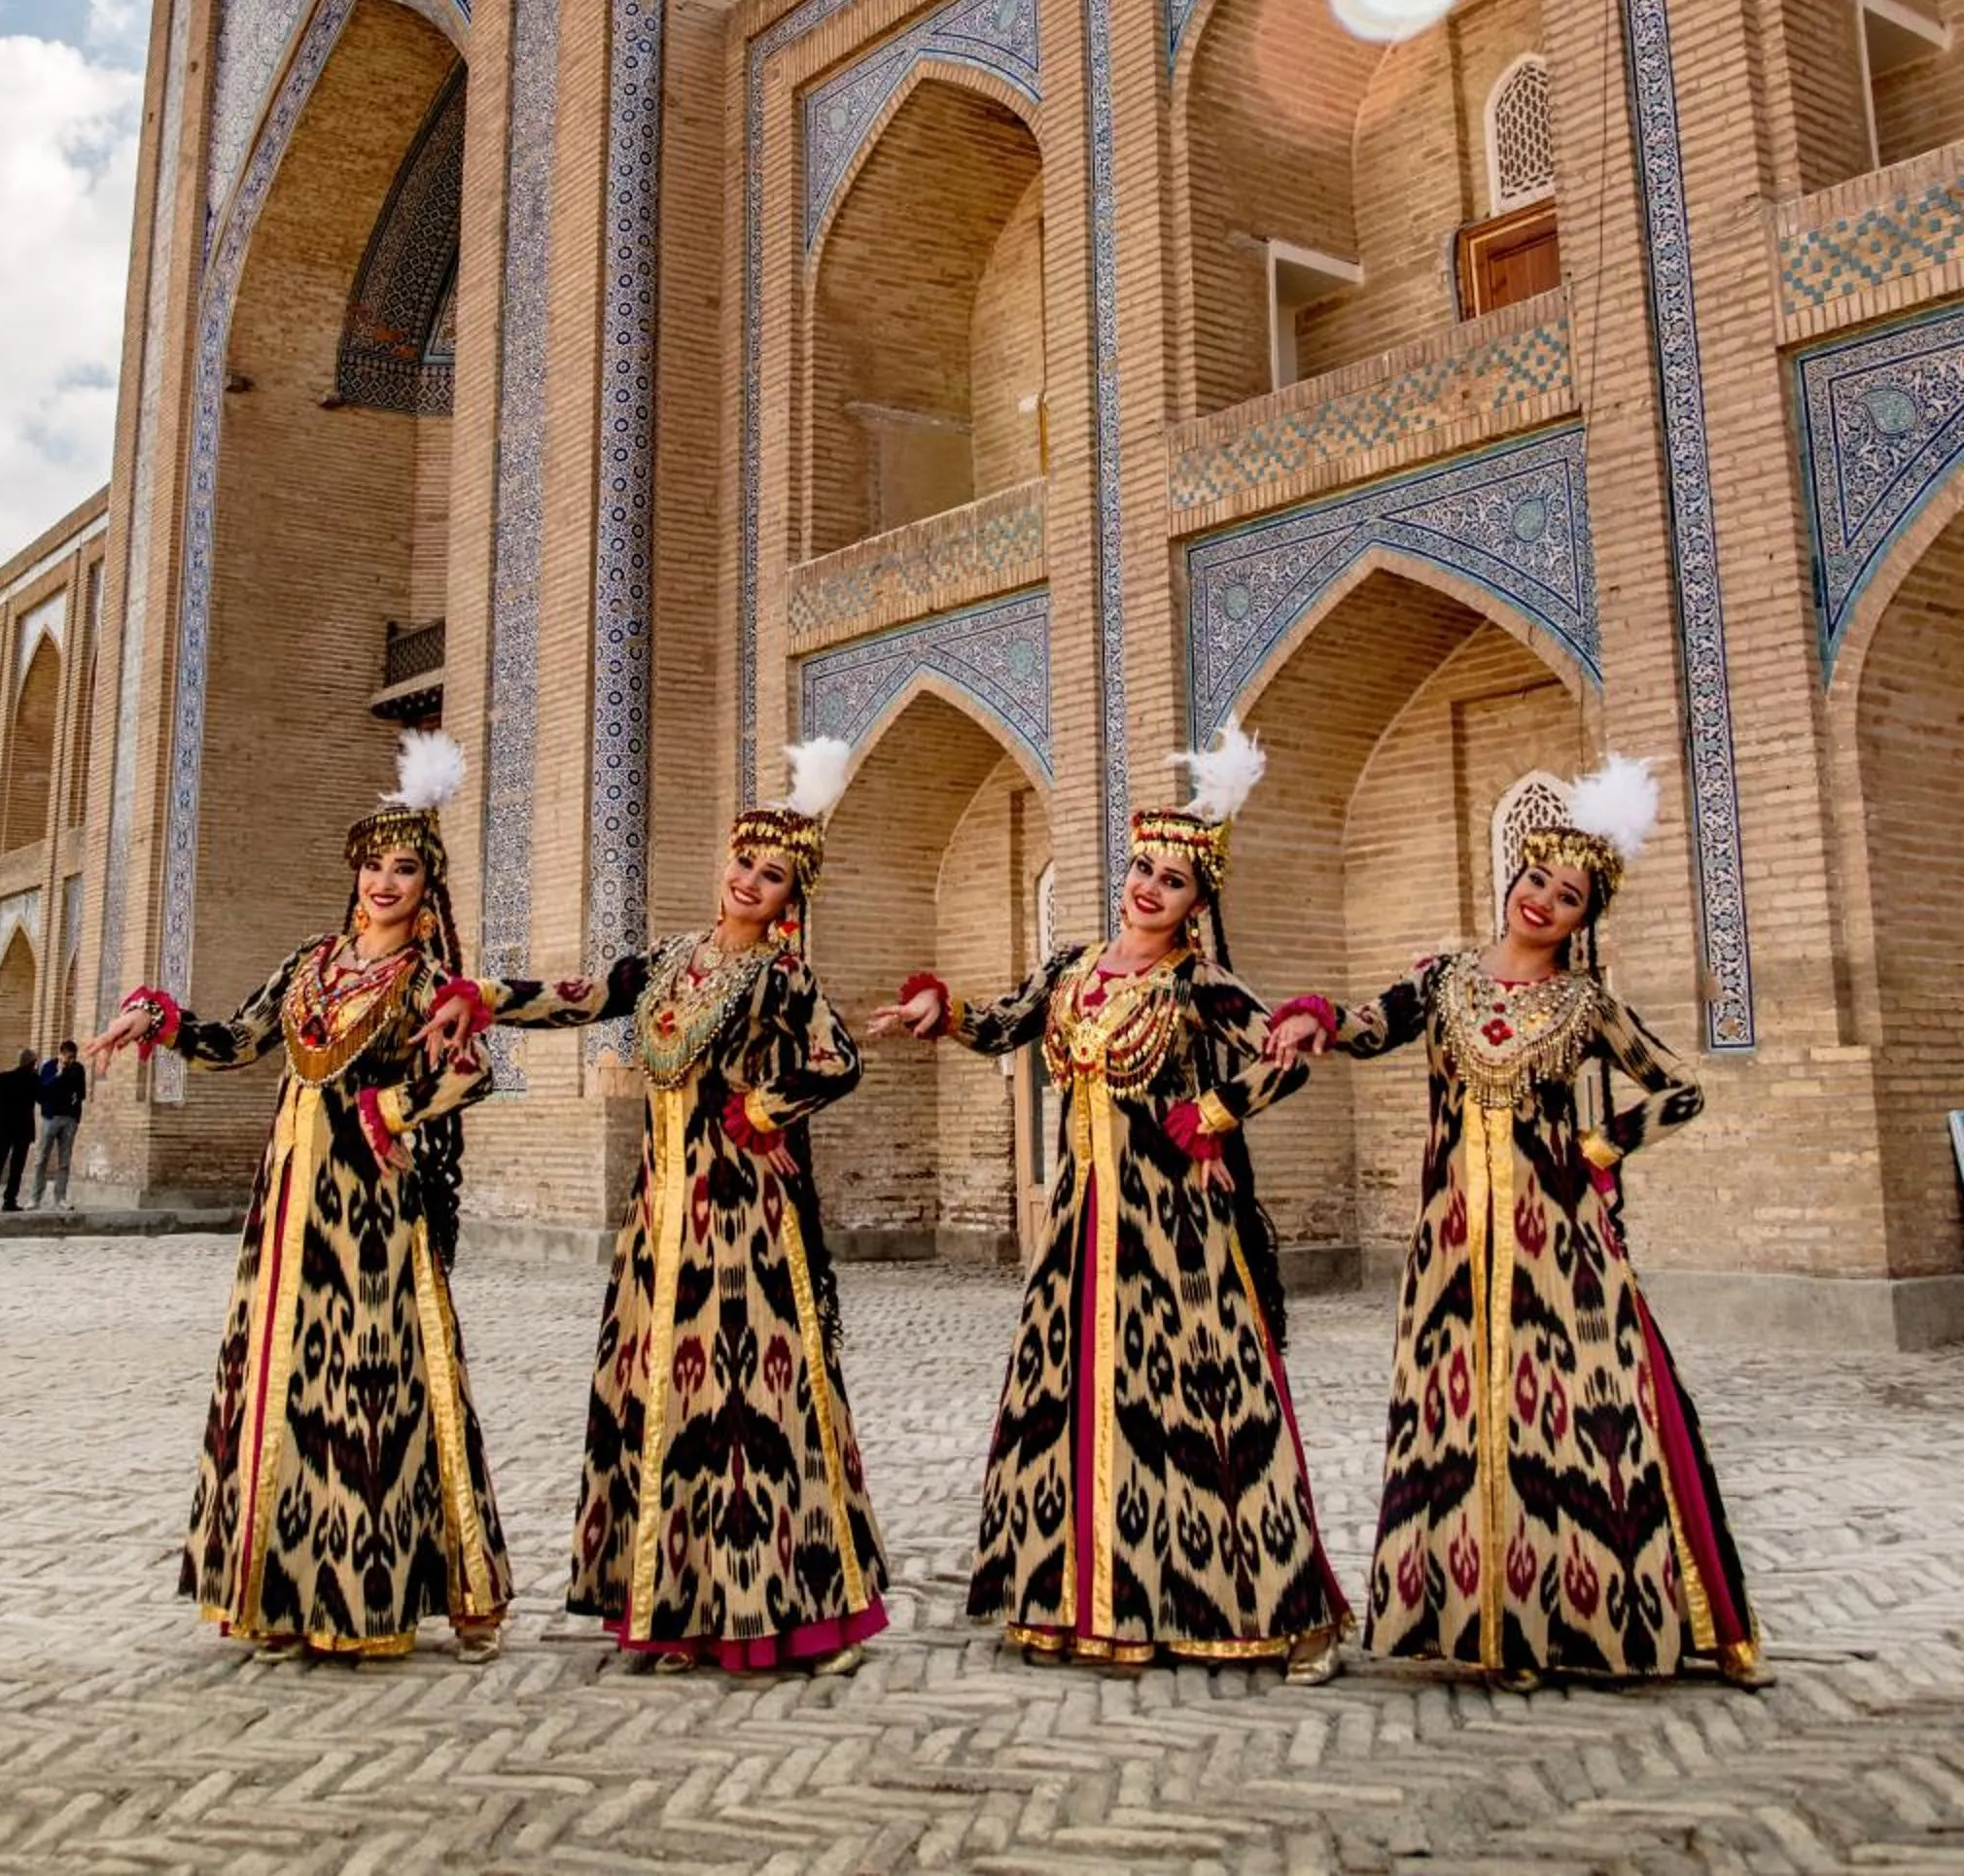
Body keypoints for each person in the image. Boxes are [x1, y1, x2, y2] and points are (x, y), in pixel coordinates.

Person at [1263, 753, 1762, 1687]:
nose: (1542, 901)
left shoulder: (1585, 1005)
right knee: (1456, 1421)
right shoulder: (1445, 980)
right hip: (1453, 1241)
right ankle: (1479, 1625)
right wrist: (1310, 1020)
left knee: (1573, 1422)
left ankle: (1567, 1625)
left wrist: (1599, 1151)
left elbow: (1679, 1091)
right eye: (1536, 880)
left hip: (1557, 1245)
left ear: (1583, 920)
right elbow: (1370, 1027)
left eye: (1567, 897)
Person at [870, 722, 1349, 1677]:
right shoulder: (1074, 969)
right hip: (1083, 1226)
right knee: (1076, 1401)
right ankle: (1083, 1602)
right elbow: (1006, 1022)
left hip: (1177, 1233)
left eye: (1170, 881)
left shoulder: (1198, 983)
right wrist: (942, 1011)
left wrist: (1214, 1112)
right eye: (1139, 868)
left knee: (1204, 1408)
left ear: (1196, 903)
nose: (1146, 887)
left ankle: (1263, 1608)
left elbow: (1285, 1053)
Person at [402, 736, 887, 1674]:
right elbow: (580, 995)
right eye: (746, 863)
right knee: (664, 1394)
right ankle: (677, 1610)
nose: (751, 881)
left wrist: (760, 1109)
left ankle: (789, 1608)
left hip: (744, 1215)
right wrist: (482, 996)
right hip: (660, 1208)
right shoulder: (668, 960)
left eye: (774, 875)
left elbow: (838, 1060)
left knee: (752, 1401)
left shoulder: (781, 978)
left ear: (794, 899)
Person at [82, 731, 509, 1659]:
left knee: (369, 1390)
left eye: (403, 869)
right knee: (282, 1385)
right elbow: (237, 1041)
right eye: (371, 866)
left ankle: (364, 1597)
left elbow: (471, 1072)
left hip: (373, 1217)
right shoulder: (311, 964)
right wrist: (155, 1019)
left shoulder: (431, 981)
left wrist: (387, 1111)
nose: (383, 883)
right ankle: (279, 1591)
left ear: (428, 886)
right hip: (287, 1214)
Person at [0, 1047, 41, 1212]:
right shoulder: (33, 1080)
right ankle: (9, 1201)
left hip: (2, 1129)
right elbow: (42, 1098)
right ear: (33, 1063)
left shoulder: (1, 1078)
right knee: (16, 1168)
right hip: (22, 1130)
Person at [27, 1040, 86, 1209]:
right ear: (60, 1054)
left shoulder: (78, 1069)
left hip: (69, 1119)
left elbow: (81, 1092)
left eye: (73, 1058)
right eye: (68, 1057)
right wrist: (58, 1075)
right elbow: (42, 1092)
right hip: (50, 1117)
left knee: (64, 1161)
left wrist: (75, 1098)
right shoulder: (49, 1067)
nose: (70, 1061)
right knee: (41, 1158)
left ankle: (60, 1197)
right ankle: (35, 1198)